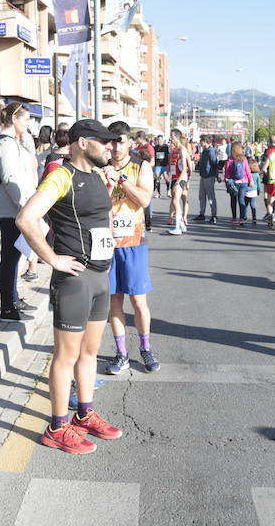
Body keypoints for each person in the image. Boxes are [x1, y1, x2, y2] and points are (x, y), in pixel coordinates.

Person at [15, 119, 123, 454]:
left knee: (89, 352)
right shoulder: (61, 175)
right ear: (81, 143)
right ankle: (57, 426)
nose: (110, 147)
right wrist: (53, 259)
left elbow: (97, 219)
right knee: (66, 356)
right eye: (103, 141)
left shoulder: (97, 175)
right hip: (74, 280)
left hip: (100, 276)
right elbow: (26, 218)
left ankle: (84, 413)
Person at [103, 122, 159, 374]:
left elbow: (145, 200)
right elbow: (96, 205)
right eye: (111, 142)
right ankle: (121, 353)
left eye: (120, 142)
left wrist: (122, 181)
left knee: (137, 299)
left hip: (133, 241)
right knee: (114, 299)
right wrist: (106, 183)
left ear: (129, 143)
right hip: (106, 242)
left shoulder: (141, 166)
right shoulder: (99, 168)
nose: (115, 147)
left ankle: (145, 349)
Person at [0, 103, 38, 321]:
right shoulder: (6, 145)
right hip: (12, 209)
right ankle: (7, 307)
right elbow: (10, 179)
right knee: (9, 258)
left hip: (15, 208)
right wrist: (25, 208)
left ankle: (13, 298)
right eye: (26, 120)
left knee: (14, 257)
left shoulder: (13, 142)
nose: (28, 125)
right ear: (15, 119)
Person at [167, 129, 192, 235]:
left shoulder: (182, 149)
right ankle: (181, 223)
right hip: (174, 177)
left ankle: (178, 226)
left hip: (181, 178)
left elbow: (185, 168)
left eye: (172, 137)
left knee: (177, 200)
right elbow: (172, 165)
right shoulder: (174, 150)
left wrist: (179, 181)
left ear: (177, 137)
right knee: (174, 200)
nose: (170, 139)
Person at [224, 141, 253, 226]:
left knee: (233, 200)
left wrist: (226, 182)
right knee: (241, 200)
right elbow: (248, 170)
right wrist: (250, 180)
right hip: (243, 182)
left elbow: (227, 172)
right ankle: (242, 218)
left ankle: (234, 218)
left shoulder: (230, 159)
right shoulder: (244, 159)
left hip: (233, 182)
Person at [192, 136, 219, 224]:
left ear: (205, 142)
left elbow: (214, 163)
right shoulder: (205, 151)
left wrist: (216, 175)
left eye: (201, 141)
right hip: (203, 176)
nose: (200, 143)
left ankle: (213, 215)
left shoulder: (211, 151)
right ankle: (202, 214)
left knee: (211, 197)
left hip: (209, 176)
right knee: (201, 196)